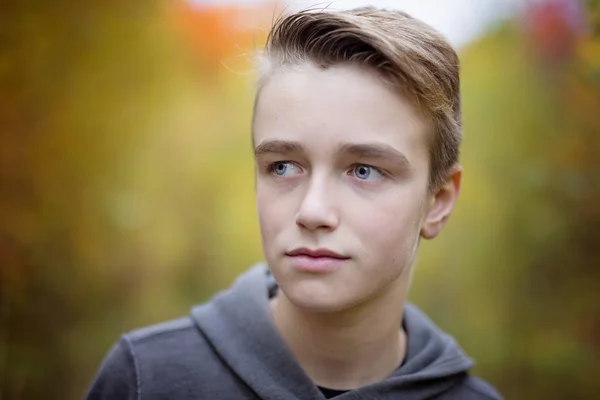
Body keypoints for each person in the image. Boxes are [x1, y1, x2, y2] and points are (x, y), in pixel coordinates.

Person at [86, 6, 502, 400]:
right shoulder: (147, 381)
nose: (313, 211)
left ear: (438, 201)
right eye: (283, 166)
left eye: (364, 170)